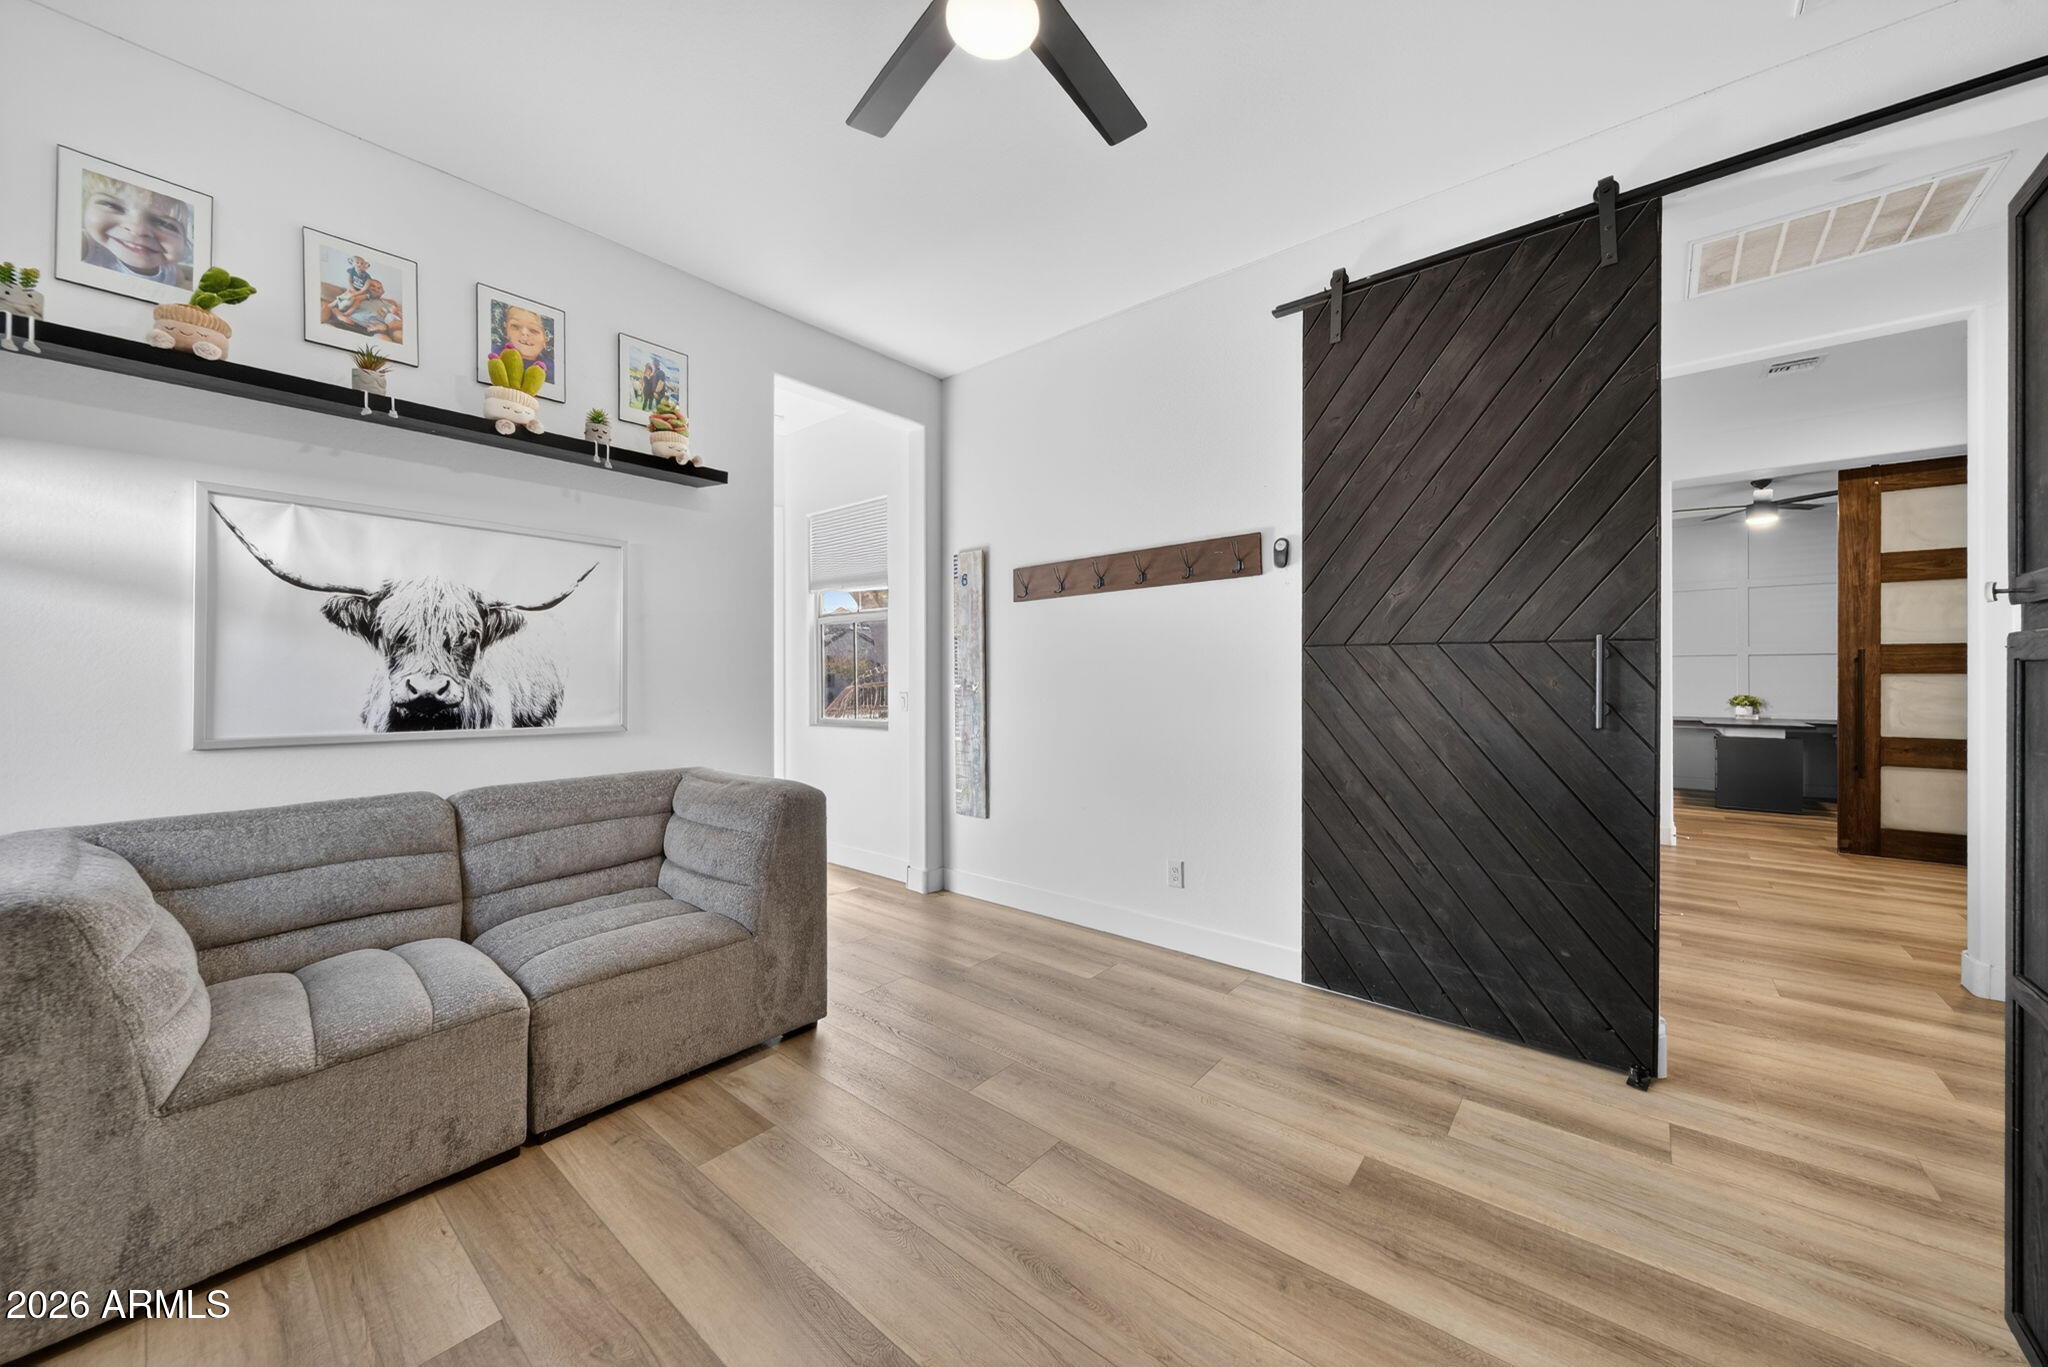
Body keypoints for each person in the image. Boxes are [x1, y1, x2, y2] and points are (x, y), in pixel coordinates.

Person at [78, 172, 193, 288]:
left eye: (164, 223)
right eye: (112, 206)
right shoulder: (84, 246)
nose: (138, 230)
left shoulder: (171, 272)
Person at [498, 304, 551, 380]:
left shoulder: (550, 370)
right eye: (515, 326)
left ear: (546, 339)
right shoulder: (496, 356)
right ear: (506, 330)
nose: (524, 332)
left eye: (533, 330)